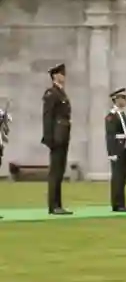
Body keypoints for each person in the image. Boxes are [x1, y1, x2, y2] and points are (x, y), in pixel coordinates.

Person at [41, 63, 73, 216]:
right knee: (55, 172)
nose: (64, 77)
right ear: (55, 76)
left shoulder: (61, 93)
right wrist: (49, 138)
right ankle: (53, 205)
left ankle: (58, 204)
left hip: (64, 135)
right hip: (56, 136)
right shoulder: (51, 93)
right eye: (61, 74)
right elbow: (48, 117)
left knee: (60, 170)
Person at [105, 88, 126, 212]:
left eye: (125, 98)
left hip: (125, 148)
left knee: (123, 176)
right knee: (117, 176)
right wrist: (111, 152)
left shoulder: (122, 114)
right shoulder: (111, 116)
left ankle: (122, 203)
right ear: (115, 100)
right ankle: (117, 203)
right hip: (117, 148)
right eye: (121, 98)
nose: (124, 101)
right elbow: (110, 135)